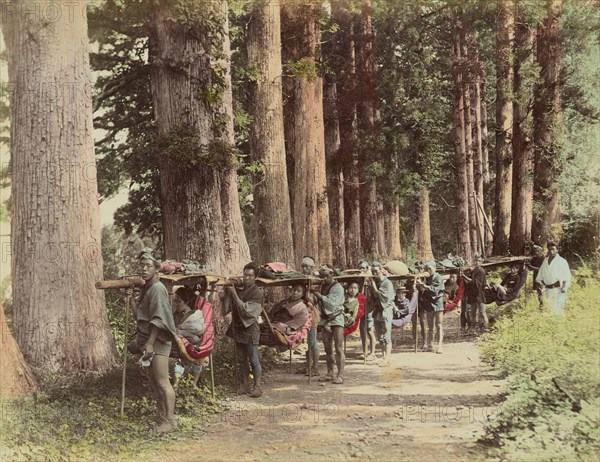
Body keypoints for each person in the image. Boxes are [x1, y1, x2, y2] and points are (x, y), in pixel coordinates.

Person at [132, 251, 178, 432]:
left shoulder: (158, 289)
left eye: (148, 266)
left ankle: (170, 421)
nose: (144, 269)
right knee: (153, 380)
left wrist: (150, 343)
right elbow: (139, 317)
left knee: (162, 381)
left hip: (157, 340)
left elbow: (158, 320)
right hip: (148, 340)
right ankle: (162, 416)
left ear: (156, 268)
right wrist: (130, 299)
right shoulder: (147, 289)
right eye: (141, 265)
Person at [222, 262, 264, 398]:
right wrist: (226, 294)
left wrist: (233, 293)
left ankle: (257, 386)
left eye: (250, 276)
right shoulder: (239, 289)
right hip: (238, 328)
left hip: (251, 330)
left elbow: (246, 312)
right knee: (241, 359)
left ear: (255, 277)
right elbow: (225, 310)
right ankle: (245, 384)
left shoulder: (257, 293)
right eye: (245, 275)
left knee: (253, 358)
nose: (246, 278)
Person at [312, 265, 345, 384]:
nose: (325, 278)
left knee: (338, 347)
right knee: (327, 348)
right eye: (323, 276)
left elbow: (332, 304)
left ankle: (340, 375)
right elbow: (317, 302)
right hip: (325, 319)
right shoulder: (321, 287)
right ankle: (330, 373)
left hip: (337, 318)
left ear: (332, 274)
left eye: (327, 276)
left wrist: (319, 295)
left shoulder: (338, 287)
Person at [171, 286, 206, 388]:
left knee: (198, 348)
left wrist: (180, 332)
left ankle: (193, 384)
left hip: (191, 346)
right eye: (174, 301)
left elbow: (199, 330)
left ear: (186, 302)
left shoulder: (194, 315)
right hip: (177, 345)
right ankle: (176, 384)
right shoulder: (174, 314)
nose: (175, 304)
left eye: (178, 301)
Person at [296, 256, 321, 377]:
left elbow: (314, 299)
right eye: (303, 266)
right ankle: (308, 366)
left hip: (312, 313)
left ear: (312, 268)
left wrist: (309, 294)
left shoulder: (316, 281)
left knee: (313, 341)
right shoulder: (302, 280)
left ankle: (315, 367)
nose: (305, 269)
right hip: (301, 312)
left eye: (307, 267)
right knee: (306, 341)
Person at [369, 262, 395, 366]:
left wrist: (374, 286)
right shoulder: (376, 282)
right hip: (377, 312)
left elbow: (381, 296)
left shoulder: (387, 283)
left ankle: (387, 358)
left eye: (376, 270)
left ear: (381, 270)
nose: (375, 273)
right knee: (380, 335)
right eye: (373, 271)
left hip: (386, 311)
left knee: (386, 335)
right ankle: (383, 356)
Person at [535, 242, 571, 316]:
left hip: (557, 289)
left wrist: (564, 287)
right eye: (549, 249)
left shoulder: (562, 261)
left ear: (557, 250)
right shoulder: (545, 261)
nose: (551, 251)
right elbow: (541, 273)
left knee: (557, 311)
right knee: (548, 310)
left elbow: (566, 275)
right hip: (547, 289)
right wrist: (540, 283)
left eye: (553, 249)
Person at [417, 261, 445, 354]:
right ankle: (431, 344)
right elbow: (424, 291)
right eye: (427, 269)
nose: (429, 271)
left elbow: (436, 290)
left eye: (430, 269)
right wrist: (421, 286)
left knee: (439, 325)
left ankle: (440, 345)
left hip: (438, 303)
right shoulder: (427, 278)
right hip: (429, 304)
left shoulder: (438, 277)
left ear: (435, 268)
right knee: (430, 325)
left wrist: (425, 286)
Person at [464, 253, 488, 332]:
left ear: (481, 263)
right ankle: (473, 328)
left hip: (480, 294)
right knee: (473, 312)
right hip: (473, 294)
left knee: (482, 312)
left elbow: (474, 282)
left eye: (479, 261)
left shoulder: (481, 271)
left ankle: (486, 328)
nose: (477, 262)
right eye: (476, 261)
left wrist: (464, 277)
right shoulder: (474, 270)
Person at [358, 259, 377, 361]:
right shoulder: (359, 281)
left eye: (364, 268)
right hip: (362, 310)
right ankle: (364, 351)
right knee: (362, 331)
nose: (362, 270)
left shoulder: (371, 281)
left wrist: (368, 282)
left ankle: (372, 352)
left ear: (367, 269)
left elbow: (375, 295)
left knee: (370, 331)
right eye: (360, 268)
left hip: (369, 309)